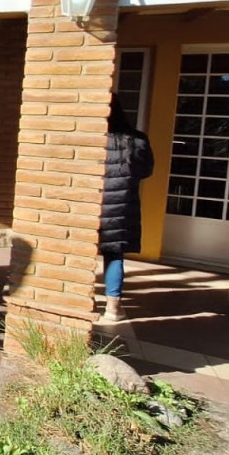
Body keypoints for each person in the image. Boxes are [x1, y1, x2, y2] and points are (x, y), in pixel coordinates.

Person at [99, 94, 154, 322]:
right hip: (122, 208)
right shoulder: (137, 140)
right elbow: (146, 171)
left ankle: (83, 299)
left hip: (92, 205)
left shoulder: (93, 138)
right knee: (114, 254)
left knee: (82, 251)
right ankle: (112, 308)